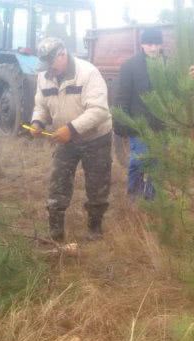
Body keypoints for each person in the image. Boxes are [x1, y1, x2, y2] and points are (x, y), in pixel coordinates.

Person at [29, 37, 113, 242]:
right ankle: (55, 232)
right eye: (45, 64)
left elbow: (99, 110)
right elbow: (41, 104)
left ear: (62, 54)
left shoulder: (88, 73)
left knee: (97, 184)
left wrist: (72, 128)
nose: (48, 69)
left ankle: (95, 229)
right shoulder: (44, 76)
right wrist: (38, 121)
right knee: (58, 183)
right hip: (65, 139)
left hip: (96, 137)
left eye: (51, 63)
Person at [113, 27, 194, 200]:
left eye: (157, 44)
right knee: (139, 161)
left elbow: (181, 89)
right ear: (142, 44)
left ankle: (152, 199)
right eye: (149, 44)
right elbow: (122, 97)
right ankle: (135, 198)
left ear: (161, 44)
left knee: (158, 163)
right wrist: (120, 124)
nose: (153, 48)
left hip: (162, 125)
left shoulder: (169, 65)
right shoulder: (130, 66)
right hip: (139, 126)